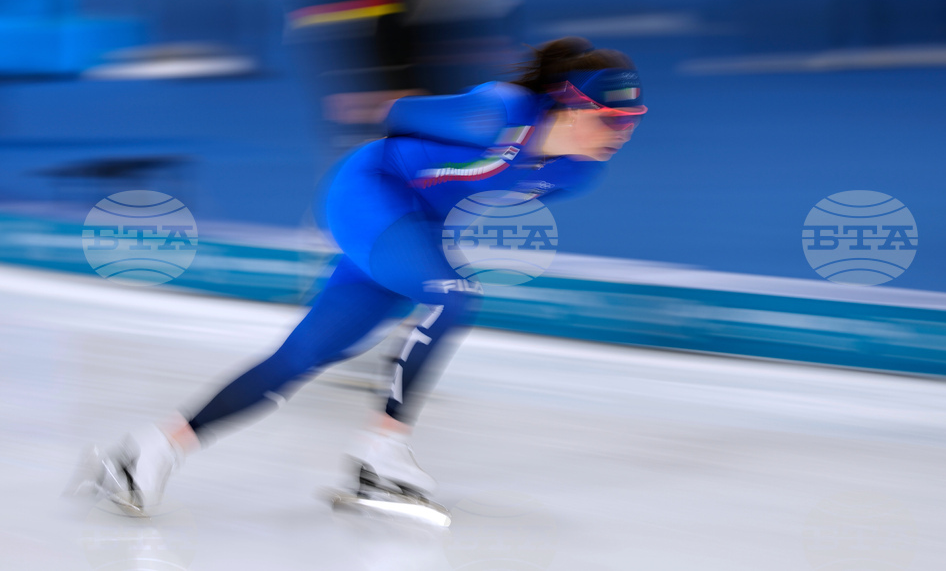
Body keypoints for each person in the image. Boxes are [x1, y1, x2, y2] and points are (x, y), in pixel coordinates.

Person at [69, 36, 647, 517]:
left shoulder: (576, 174)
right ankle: (382, 454)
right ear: (566, 107)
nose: (622, 133)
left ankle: (146, 454)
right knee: (453, 295)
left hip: (412, 224)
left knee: (298, 360)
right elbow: (397, 116)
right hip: (368, 193)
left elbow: (462, 183)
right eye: (610, 119)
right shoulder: (493, 114)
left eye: (631, 121)